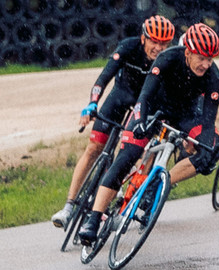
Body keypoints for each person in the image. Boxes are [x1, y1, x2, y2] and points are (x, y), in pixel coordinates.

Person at [76, 24, 219, 245]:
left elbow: (208, 122)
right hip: (153, 108)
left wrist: (202, 144)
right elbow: (144, 96)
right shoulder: (167, 58)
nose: (206, 64)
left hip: (185, 115)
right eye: (202, 58)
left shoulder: (214, 77)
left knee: (211, 150)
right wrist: (141, 124)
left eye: (211, 59)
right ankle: (94, 218)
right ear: (188, 51)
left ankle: (162, 183)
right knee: (128, 156)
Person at [52, 15, 175, 227]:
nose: (159, 47)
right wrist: (92, 103)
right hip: (119, 99)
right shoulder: (128, 47)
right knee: (93, 148)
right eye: (154, 41)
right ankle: (69, 207)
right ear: (143, 38)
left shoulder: (168, 59)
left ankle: (123, 199)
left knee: (134, 154)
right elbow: (104, 77)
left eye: (164, 43)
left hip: (143, 107)